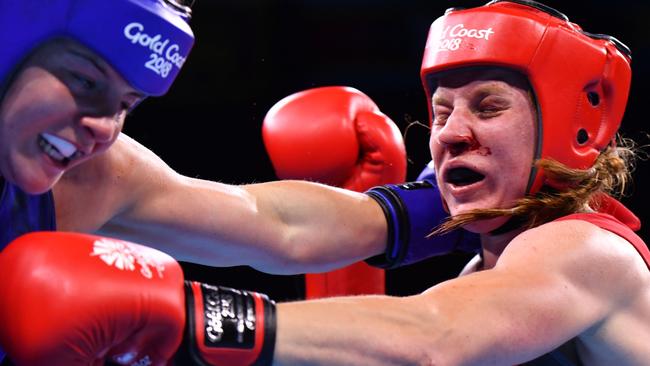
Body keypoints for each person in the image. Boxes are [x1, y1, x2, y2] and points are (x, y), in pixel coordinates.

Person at [1, 0, 649, 365]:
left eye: (488, 107)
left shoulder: (587, 252)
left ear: (576, 130)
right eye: (442, 112)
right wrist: (428, 208)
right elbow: (281, 231)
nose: (448, 134)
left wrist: (185, 318)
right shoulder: (485, 280)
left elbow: (434, 337)